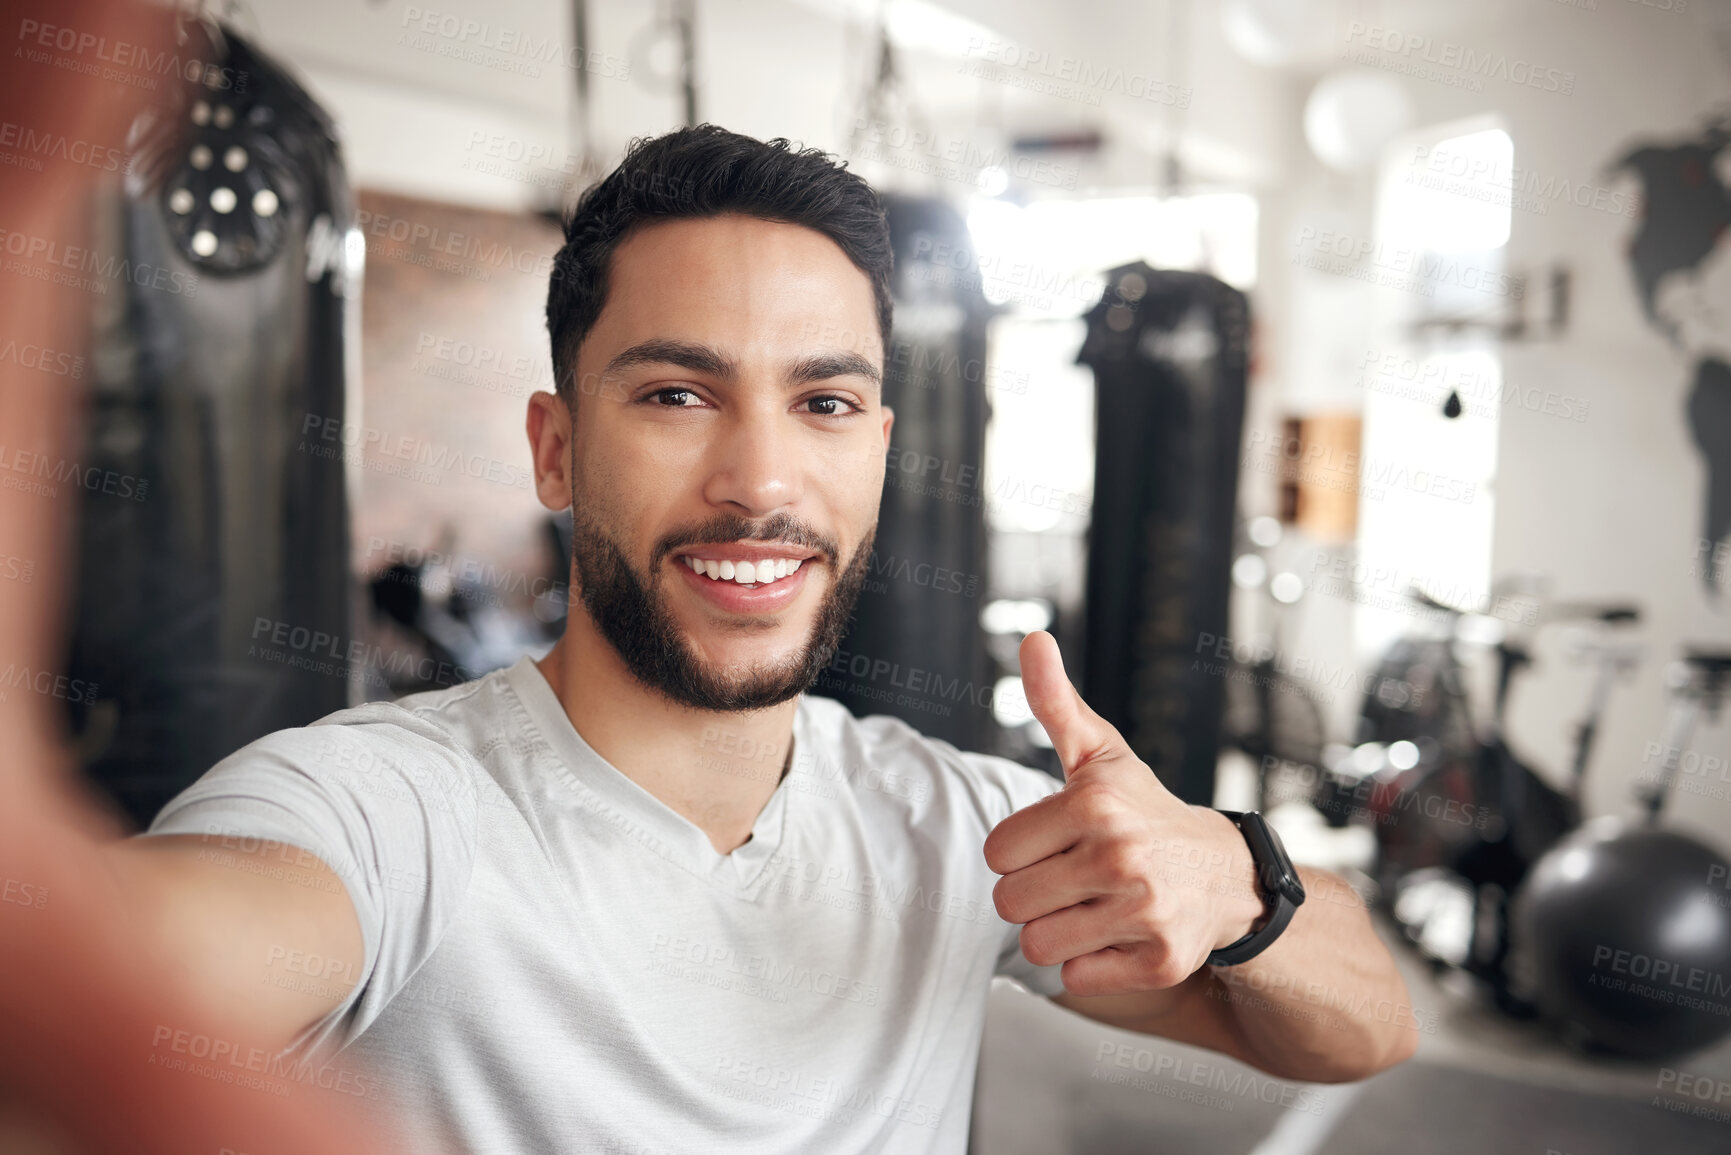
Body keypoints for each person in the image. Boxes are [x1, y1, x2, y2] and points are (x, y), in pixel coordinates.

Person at [117, 125, 1416, 1153]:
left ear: (882, 452)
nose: (761, 479)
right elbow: (142, 982)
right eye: (678, 393)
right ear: (556, 450)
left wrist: (1249, 883)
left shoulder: (955, 828)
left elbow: (1364, 1031)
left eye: (825, 401)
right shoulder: (384, 812)